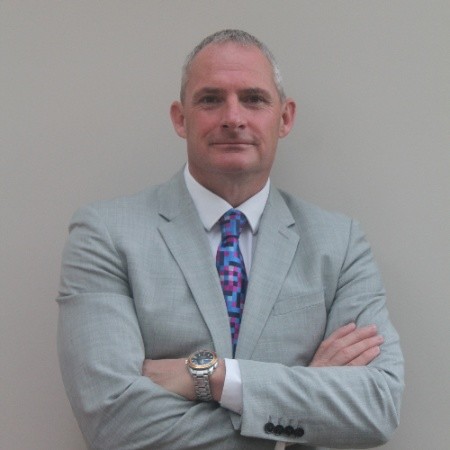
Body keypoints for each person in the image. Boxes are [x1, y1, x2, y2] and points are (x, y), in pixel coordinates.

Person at [57, 30, 404, 450]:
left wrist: (211, 375)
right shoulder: (105, 234)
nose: (233, 118)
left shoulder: (339, 243)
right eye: (210, 99)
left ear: (285, 118)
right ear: (180, 118)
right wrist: (299, 412)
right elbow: (112, 422)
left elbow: (377, 406)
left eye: (254, 99)